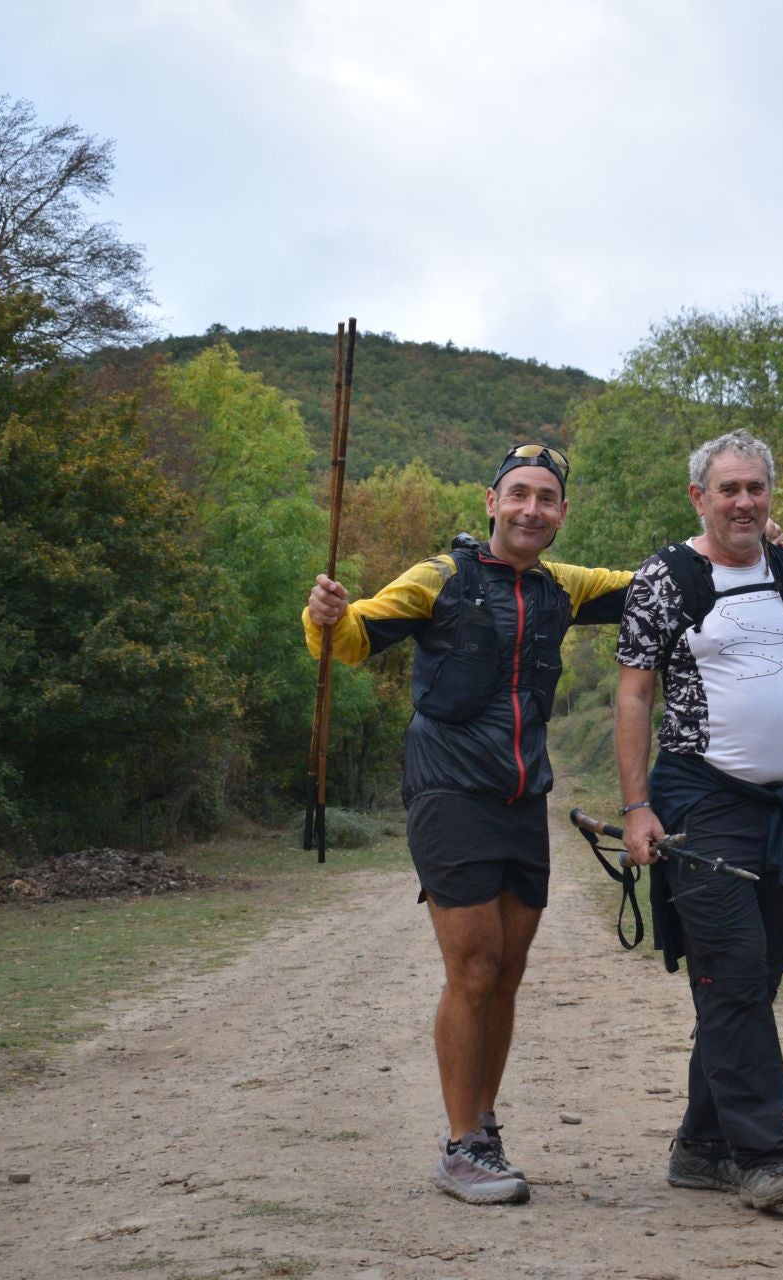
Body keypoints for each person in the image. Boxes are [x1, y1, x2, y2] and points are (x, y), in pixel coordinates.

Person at [302, 443, 630, 1206]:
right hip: (449, 790)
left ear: (562, 514)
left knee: (508, 972)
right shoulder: (438, 580)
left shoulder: (564, 587)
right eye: (518, 494)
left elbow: (655, 584)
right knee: (475, 967)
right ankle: (459, 1147)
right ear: (491, 501)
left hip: (523, 797)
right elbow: (352, 638)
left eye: (546, 499)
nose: (531, 510)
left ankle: (482, 1127)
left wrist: (744, 541)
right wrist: (324, 617)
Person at [613, 428, 783, 1212]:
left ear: (769, 493)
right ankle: (762, 1158)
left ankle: (699, 1146)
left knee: (753, 980)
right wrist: (637, 806)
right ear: (700, 497)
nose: (745, 501)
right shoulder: (665, 580)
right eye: (729, 489)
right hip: (698, 800)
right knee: (737, 975)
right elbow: (633, 696)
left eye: (756, 487)